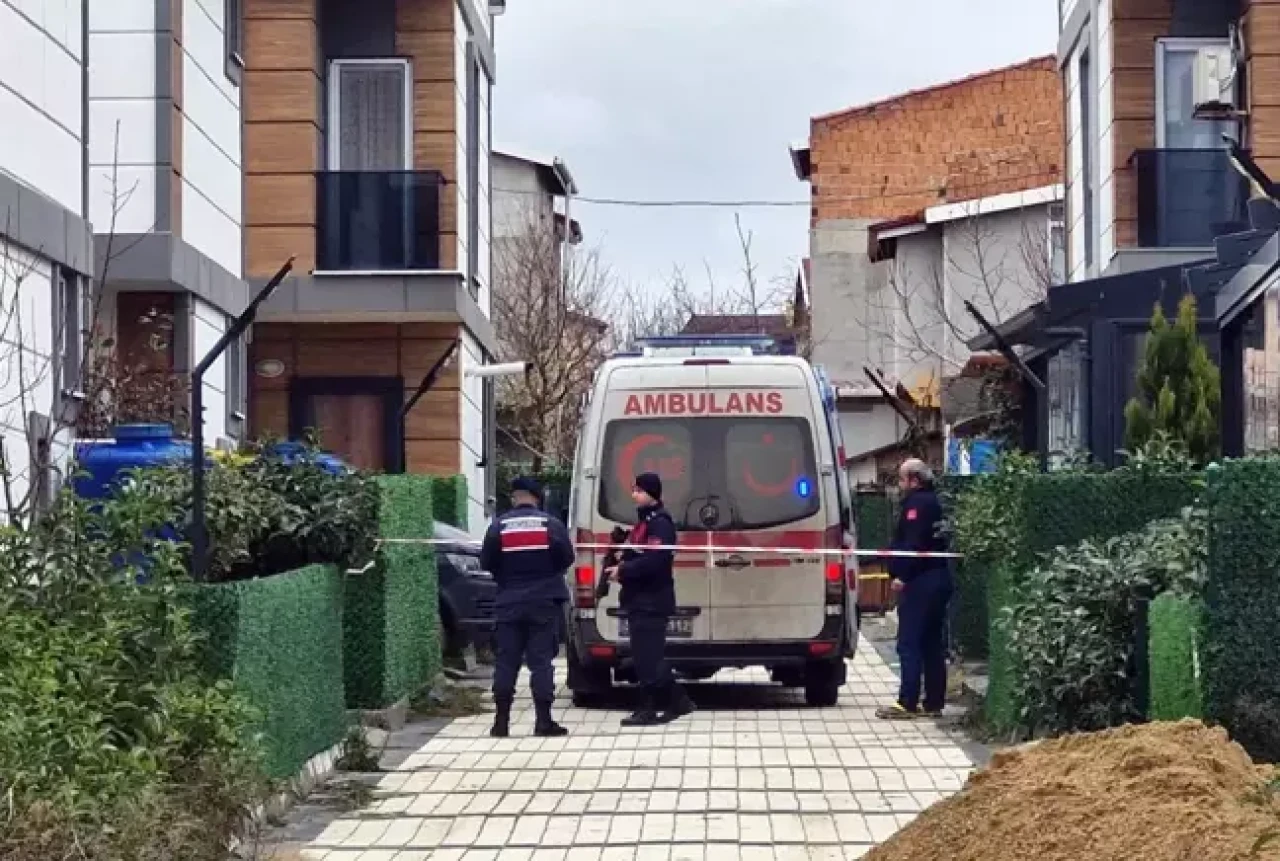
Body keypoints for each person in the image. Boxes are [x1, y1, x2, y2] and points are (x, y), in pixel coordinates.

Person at [479, 477, 575, 738]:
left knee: (506, 661)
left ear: (514, 497)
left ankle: (501, 722)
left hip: (508, 601)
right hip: (543, 602)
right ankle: (543, 721)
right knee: (541, 661)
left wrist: (507, 579)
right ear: (537, 496)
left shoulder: (499, 526)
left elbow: (486, 561)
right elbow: (567, 558)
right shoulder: (551, 525)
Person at [604, 472, 696, 727]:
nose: (634, 494)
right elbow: (640, 554)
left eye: (639, 490)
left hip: (652, 600)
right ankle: (676, 702)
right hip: (639, 599)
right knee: (646, 657)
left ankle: (652, 707)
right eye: (633, 489)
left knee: (648, 658)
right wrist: (621, 561)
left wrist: (624, 570)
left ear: (651, 493)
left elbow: (656, 560)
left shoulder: (660, 523)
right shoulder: (643, 523)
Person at [877, 458, 954, 720]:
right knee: (932, 642)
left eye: (901, 479)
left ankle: (907, 700)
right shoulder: (935, 501)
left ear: (914, 480)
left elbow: (912, 544)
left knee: (909, 641)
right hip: (939, 577)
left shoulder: (917, 505)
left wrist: (902, 575)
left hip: (921, 581)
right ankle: (934, 701)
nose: (899, 485)